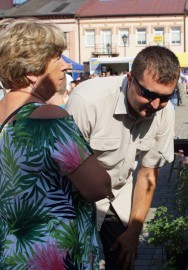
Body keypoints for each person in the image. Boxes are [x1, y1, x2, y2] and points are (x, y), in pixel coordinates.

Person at [0, 18, 111, 269]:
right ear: (32, 71)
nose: (65, 66)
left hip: (10, 255)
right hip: (53, 257)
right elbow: (98, 187)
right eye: (57, 57)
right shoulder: (49, 119)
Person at [66, 46, 180, 270]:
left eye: (165, 97)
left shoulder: (164, 113)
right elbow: (65, 167)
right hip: (74, 195)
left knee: (123, 260)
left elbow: (148, 174)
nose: (155, 105)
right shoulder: (87, 101)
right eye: (148, 94)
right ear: (130, 79)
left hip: (117, 194)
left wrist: (134, 231)